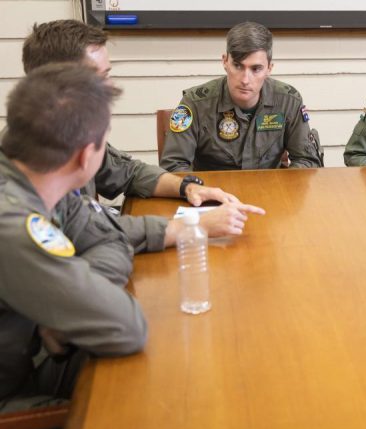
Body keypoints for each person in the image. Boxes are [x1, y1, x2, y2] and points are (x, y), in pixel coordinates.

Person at [20, 19, 264, 254]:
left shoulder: (70, 135)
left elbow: (129, 172)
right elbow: (86, 243)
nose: (111, 87)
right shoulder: (25, 183)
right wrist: (192, 227)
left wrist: (187, 187)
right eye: (100, 77)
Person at [0, 63, 147, 414]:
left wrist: (68, 313)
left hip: (27, 357)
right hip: (13, 397)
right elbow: (126, 327)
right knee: (137, 400)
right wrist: (78, 307)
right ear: (85, 155)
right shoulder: (13, 224)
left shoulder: (40, 178)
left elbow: (109, 239)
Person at [160, 22, 323, 172]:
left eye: (256, 69)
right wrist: (198, 192)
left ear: (269, 68)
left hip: (270, 192)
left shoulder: (289, 101)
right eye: (238, 66)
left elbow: (306, 160)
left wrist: (283, 190)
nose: (245, 80)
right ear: (225, 62)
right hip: (212, 196)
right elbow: (173, 165)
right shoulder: (194, 103)